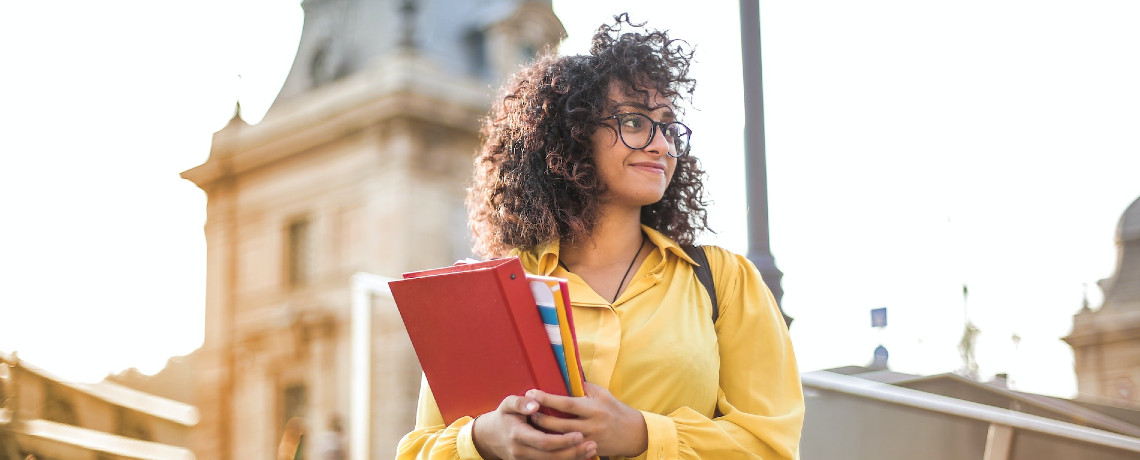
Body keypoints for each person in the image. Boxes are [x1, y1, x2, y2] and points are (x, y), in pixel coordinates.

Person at [397, 14, 803, 460]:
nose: (661, 145)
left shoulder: (724, 282)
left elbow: (771, 446)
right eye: (634, 122)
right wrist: (481, 439)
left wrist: (643, 436)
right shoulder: (489, 290)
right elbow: (419, 448)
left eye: (668, 126)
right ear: (572, 135)